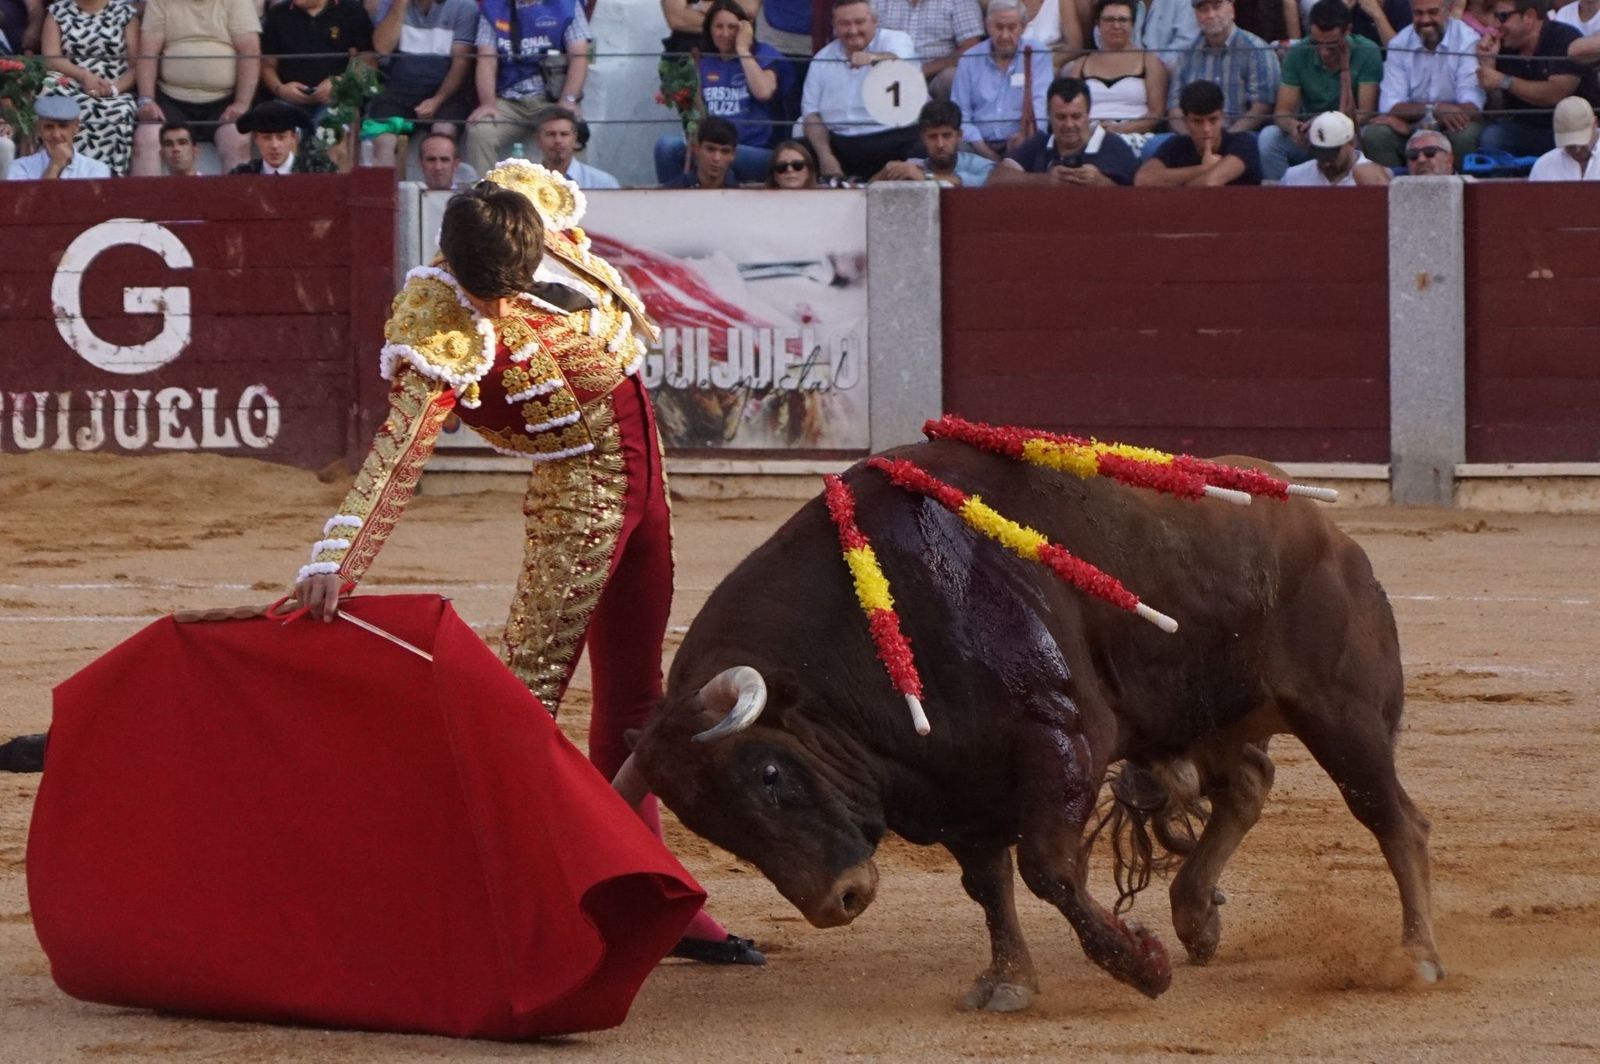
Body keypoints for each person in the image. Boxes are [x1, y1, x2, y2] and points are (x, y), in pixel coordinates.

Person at [291, 163, 765, 967]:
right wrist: (339, 555)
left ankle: (645, 896)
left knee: (637, 694)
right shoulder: (439, 322)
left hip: (646, 482)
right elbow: (398, 454)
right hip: (581, 499)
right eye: (489, 298)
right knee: (523, 702)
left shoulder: (531, 208)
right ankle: (467, 891)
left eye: (508, 291)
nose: (501, 310)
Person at [653, 0, 789, 185]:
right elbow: (699, 117)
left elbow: (763, 92)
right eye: (718, 27)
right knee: (666, 147)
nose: (725, 34)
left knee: (721, 157)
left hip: (752, 149)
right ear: (708, 29)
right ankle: (672, 205)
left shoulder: (764, 53)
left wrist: (742, 50)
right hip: (711, 145)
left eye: (733, 27)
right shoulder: (702, 62)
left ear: (744, 28)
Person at [463, 0, 593, 176]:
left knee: (573, 130)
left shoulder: (567, 4)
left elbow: (579, 56)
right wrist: (488, 103)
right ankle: (485, 197)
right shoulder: (493, 7)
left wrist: (568, 100)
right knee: (480, 132)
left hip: (552, 101)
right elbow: (486, 58)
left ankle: (577, 192)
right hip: (510, 101)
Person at [130, 0, 259, 175]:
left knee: (238, 142)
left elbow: (250, 52)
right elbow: (147, 53)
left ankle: (238, 202)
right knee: (145, 139)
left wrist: (242, 104)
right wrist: (146, 100)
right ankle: (145, 202)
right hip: (170, 99)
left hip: (224, 101)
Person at [1260, 0, 1382, 180]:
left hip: (1349, 133)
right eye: (1317, 43)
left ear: (1348, 30)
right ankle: (1280, 198)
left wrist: (1325, 122)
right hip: (1310, 135)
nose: (1324, 52)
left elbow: (1365, 112)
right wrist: (1295, 128)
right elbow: (1282, 112)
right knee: (1269, 138)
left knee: (1372, 135)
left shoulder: (1367, 51)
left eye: (1331, 45)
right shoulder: (1299, 52)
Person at [800, 0, 919, 181]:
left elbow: (900, 61)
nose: (852, 30)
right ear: (834, 27)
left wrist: (872, 58)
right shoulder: (822, 58)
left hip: (893, 138)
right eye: (844, 24)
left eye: (859, 22)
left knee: (921, 148)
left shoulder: (896, 39)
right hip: (840, 143)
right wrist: (826, 156)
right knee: (795, 154)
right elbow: (811, 113)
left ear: (875, 21)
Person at [1363, 0, 1484, 169]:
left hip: (1450, 127)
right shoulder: (1399, 43)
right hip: (1412, 126)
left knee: (1465, 133)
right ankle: (1394, 190)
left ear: (1448, 11)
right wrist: (1433, 110)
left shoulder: (1467, 40)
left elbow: (1473, 105)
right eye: (1418, 13)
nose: (1425, 20)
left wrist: (1429, 120)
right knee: (1376, 134)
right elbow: (1390, 105)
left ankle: (1460, 190)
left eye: (1433, 12)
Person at [367, 0, 478, 169]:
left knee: (443, 134)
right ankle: (385, 194)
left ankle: (441, 194)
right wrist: (400, 6)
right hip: (399, 90)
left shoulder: (464, 6)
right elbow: (382, 47)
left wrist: (437, 99)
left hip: (445, 92)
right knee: (382, 138)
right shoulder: (391, 4)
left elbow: (461, 63)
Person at [1475, 0, 1594, 158]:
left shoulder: (1563, 38)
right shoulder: (1504, 46)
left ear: (1529, 16)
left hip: (1574, 132)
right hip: (1526, 129)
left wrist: (1504, 81)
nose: (1496, 24)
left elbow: (1556, 94)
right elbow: (1498, 108)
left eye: (1502, 17)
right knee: (1491, 137)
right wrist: (1488, 64)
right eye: (1495, 16)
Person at [40, 0, 138, 176]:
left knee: (121, 111)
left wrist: (113, 89)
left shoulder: (125, 12)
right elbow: (51, 58)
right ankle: (59, 169)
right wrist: (84, 75)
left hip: (114, 87)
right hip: (71, 80)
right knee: (52, 93)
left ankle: (106, 179)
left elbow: (137, 64)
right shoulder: (57, 11)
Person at [989, 75, 1141, 184]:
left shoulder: (1113, 146)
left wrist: (1101, 182)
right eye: (1061, 117)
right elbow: (996, 179)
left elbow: (1137, 196)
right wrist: (1045, 180)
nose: (1069, 124)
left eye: (1076, 116)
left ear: (1088, 114)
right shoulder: (1039, 143)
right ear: (1049, 115)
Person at [1064, 0, 1170, 154]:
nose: (1116, 26)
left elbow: (1156, 113)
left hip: (1134, 138)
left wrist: (1120, 129)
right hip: (1088, 137)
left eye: (1123, 20)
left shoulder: (1149, 61)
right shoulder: (1081, 64)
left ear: (1133, 24)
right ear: (1097, 24)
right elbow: (1071, 108)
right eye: (1109, 20)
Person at [950, 0, 1051, 161]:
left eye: (1011, 28)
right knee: (955, 146)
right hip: (977, 144)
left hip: (1021, 142)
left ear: (1023, 28)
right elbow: (961, 115)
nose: (1004, 35)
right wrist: (985, 151)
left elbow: (1040, 106)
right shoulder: (969, 59)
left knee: (1040, 145)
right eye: (998, 27)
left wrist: (1025, 136)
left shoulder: (1037, 54)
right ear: (987, 26)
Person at [1165, 0, 1279, 138]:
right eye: (1203, 10)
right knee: (1152, 146)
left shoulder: (1256, 49)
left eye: (1216, 7)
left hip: (1242, 136)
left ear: (1232, 9)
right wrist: (1192, 138)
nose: (1211, 15)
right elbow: (1174, 108)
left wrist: (1226, 139)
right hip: (1194, 137)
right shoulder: (1187, 53)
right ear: (1195, 15)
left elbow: (1262, 107)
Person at [260, 0, 373, 133]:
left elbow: (368, 60)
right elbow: (267, 65)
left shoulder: (351, 10)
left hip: (336, 98)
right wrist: (280, 89)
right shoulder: (277, 14)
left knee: (333, 131)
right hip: (288, 99)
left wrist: (342, 82)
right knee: (280, 132)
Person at [1135, 77, 1263, 182]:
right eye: (1197, 121)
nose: (1206, 129)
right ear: (1185, 122)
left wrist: (1173, 184)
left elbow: (1210, 183)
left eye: (1213, 120)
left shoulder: (1243, 143)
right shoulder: (1176, 145)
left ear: (1222, 117)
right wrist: (1203, 168)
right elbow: (1143, 179)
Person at [870, 0, 984, 101]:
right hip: (888, 72)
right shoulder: (879, 2)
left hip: (935, 75)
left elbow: (970, 47)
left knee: (953, 77)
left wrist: (921, 71)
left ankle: (948, 123)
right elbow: (864, 36)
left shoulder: (959, 2)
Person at [872, 97, 996, 183]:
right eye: (932, 137)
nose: (940, 144)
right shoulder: (912, 166)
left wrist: (923, 177)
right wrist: (885, 171)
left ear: (959, 136)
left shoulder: (979, 166)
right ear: (923, 138)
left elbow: (987, 181)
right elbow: (865, 193)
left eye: (946, 136)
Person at [5, 92, 112, 178]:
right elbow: (33, 204)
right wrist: (55, 165)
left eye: (63, 126)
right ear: (38, 129)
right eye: (48, 127)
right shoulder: (20, 167)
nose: (56, 135)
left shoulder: (95, 169)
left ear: (76, 127)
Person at [1280, 107, 1392, 181]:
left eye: (1332, 154)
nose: (1326, 163)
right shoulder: (1294, 177)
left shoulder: (1374, 177)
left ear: (1351, 143)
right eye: (1321, 154)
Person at [228, 97, 337, 173]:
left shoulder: (317, 172)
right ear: (256, 139)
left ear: (293, 137)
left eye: (281, 137)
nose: (274, 145)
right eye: (266, 138)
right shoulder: (242, 175)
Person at [531, 103, 620, 187]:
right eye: (551, 134)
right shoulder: (525, 182)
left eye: (564, 134)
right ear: (538, 140)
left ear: (575, 138)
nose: (558, 140)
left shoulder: (603, 183)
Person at [1527, 93, 1599, 176]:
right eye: (1570, 146)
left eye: (1582, 143)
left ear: (1595, 124)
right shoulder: (1544, 166)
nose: (1577, 150)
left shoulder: (1544, 166)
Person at [660, 114, 741, 185]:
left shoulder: (743, 196)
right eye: (710, 149)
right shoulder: (673, 192)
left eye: (725, 151)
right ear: (696, 148)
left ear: (733, 154)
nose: (716, 158)